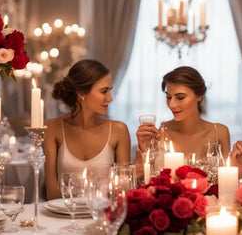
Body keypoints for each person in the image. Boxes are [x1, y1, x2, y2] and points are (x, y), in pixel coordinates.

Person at [44, 59, 131, 200]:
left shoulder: (119, 130)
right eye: (104, 91)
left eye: (110, 91)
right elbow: (52, 194)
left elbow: (123, 191)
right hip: (64, 217)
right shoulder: (52, 129)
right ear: (81, 93)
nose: (110, 98)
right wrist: (99, 188)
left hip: (104, 216)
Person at [134, 66, 230, 172]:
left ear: (199, 96)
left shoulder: (219, 133)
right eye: (169, 97)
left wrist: (239, 162)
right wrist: (142, 150)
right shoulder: (161, 133)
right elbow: (141, 179)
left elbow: (228, 179)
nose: (172, 105)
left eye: (180, 97)